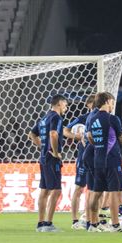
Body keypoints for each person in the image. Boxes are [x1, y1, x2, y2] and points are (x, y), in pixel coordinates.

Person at [86, 92, 122, 232]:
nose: (112, 104)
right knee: (114, 192)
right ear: (107, 101)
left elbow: (90, 137)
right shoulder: (113, 119)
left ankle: (92, 223)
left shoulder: (93, 119)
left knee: (96, 192)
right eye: (112, 101)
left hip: (97, 159)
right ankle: (115, 225)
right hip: (111, 160)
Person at [28, 94, 68, 232]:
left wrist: (43, 146)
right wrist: (56, 152)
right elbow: (53, 134)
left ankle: (41, 223)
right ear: (59, 103)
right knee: (56, 190)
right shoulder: (56, 117)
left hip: (43, 158)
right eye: (65, 104)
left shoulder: (44, 118)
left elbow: (32, 134)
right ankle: (48, 223)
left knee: (44, 190)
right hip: (52, 159)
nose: (66, 107)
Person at [64, 94, 95, 230]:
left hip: (97, 158)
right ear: (88, 105)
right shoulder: (82, 119)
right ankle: (75, 220)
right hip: (83, 157)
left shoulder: (102, 118)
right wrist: (75, 136)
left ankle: (92, 218)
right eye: (93, 104)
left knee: (95, 190)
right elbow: (65, 130)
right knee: (79, 188)